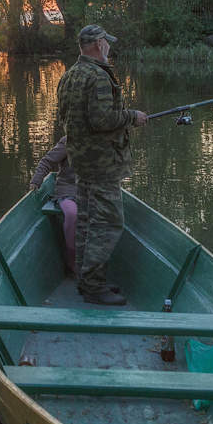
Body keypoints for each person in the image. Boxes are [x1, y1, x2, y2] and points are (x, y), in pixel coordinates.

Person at [56, 24, 147, 305]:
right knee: (109, 221)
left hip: (80, 162)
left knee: (87, 220)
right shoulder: (98, 77)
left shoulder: (69, 75)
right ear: (98, 44)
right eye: (106, 42)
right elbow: (102, 120)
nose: (109, 46)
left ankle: (86, 281)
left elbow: (64, 118)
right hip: (102, 164)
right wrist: (132, 116)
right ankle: (94, 286)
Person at [29, 136, 78, 272]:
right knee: (72, 214)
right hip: (67, 190)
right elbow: (47, 161)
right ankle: (72, 260)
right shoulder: (69, 140)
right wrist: (37, 180)